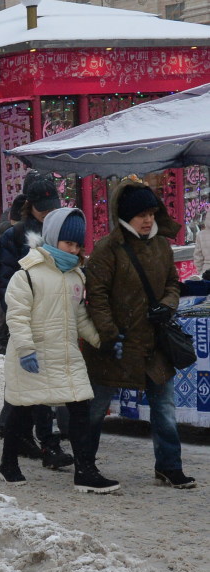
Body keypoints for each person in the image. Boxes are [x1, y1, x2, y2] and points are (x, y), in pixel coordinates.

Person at [79, 179, 196, 490]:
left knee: (164, 406)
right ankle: (84, 465)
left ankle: (169, 467)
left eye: (151, 213)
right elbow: (97, 296)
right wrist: (108, 334)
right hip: (116, 344)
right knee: (95, 407)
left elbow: (173, 284)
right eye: (141, 214)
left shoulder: (161, 246)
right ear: (125, 215)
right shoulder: (108, 249)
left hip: (154, 342)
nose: (147, 220)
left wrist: (168, 306)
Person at [0, 208, 117, 491]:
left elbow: (79, 318)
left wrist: (100, 341)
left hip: (65, 355)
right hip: (34, 356)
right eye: (69, 243)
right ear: (52, 240)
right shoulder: (26, 275)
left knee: (80, 408)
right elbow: (16, 315)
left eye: (78, 245)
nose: (74, 249)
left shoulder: (76, 277)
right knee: (20, 410)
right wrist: (26, 349)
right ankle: (8, 463)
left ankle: (85, 470)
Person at [0, 173, 73, 470]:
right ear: (30, 206)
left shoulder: (63, 231)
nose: (48, 213)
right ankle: (48, 445)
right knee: (38, 385)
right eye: (42, 207)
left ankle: (19, 438)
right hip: (28, 320)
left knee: (33, 387)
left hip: (57, 319)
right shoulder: (14, 236)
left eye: (52, 206)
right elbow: (7, 282)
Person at [0, 192, 28, 356]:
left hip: (13, 293)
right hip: (15, 293)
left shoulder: (6, 236)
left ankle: (1, 347)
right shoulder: (10, 238)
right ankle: (1, 347)